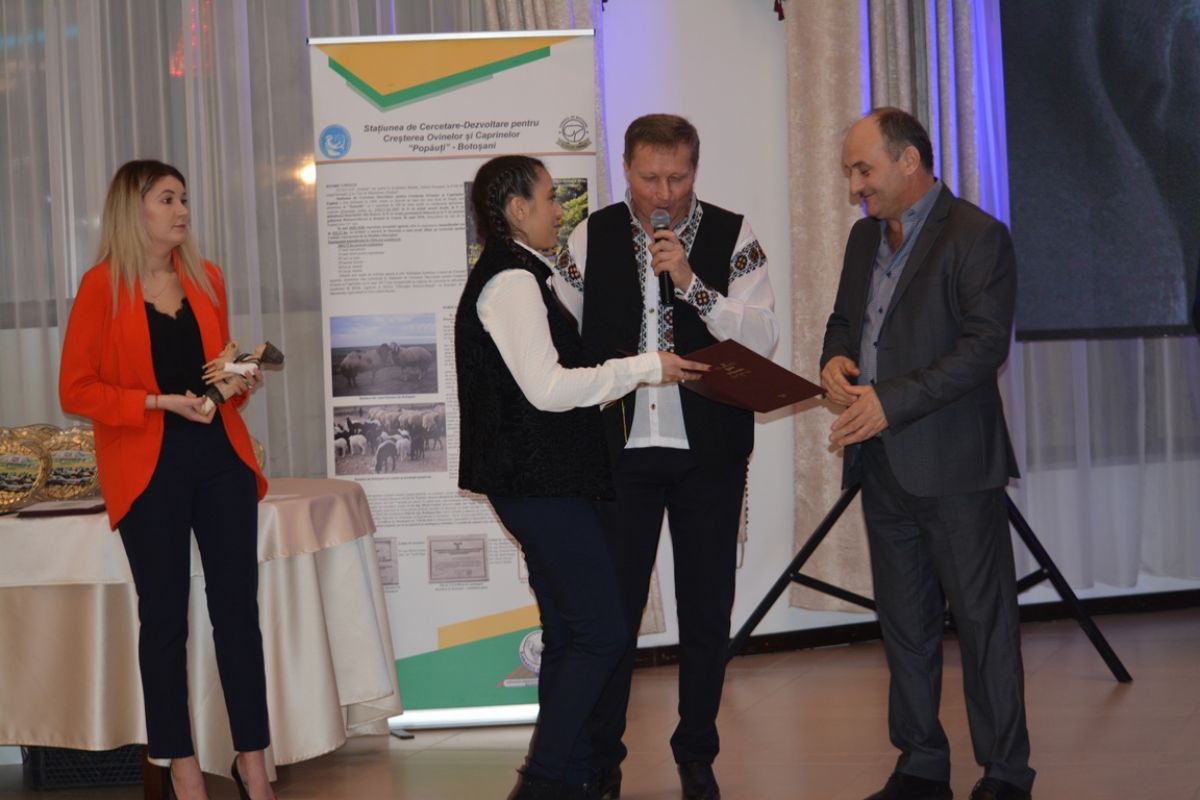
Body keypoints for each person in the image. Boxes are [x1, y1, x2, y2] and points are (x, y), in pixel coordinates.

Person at [455, 154, 709, 799]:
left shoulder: (521, 274)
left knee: (573, 633)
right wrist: (646, 366)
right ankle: (544, 783)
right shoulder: (512, 281)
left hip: (544, 483)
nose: (558, 211)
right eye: (548, 198)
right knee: (600, 632)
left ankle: (566, 779)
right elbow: (547, 390)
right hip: (538, 485)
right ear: (517, 209)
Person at [553, 114, 779, 800]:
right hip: (618, 452)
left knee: (707, 608)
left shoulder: (734, 234)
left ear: (694, 170)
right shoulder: (589, 236)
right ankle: (603, 755)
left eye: (677, 177)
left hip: (709, 451)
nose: (663, 192)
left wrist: (690, 281)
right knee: (612, 614)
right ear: (625, 169)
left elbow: (762, 338)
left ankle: (697, 750)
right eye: (650, 177)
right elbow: (561, 337)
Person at [820, 108, 1035, 800]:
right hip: (881, 465)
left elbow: (982, 348)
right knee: (905, 626)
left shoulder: (977, 235)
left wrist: (891, 400)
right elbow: (844, 322)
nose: (855, 186)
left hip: (955, 466)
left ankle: (1005, 773)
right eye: (851, 172)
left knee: (983, 625)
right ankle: (920, 763)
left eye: (864, 170)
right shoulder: (863, 238)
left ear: (909, 160)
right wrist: (835, 360)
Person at [59, 160, 274, 800]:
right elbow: (76, 389)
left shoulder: (207, 278)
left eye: (184, 198)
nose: (182, 210)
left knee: (239, 615)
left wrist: (237, 380)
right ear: (136, 210)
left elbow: (220, 378)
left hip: (221, 460)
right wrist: (156, 403)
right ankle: (182, 768)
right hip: (148, 466)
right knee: (164, 622)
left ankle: (253, 764)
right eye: (167, 199)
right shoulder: (101, 287)